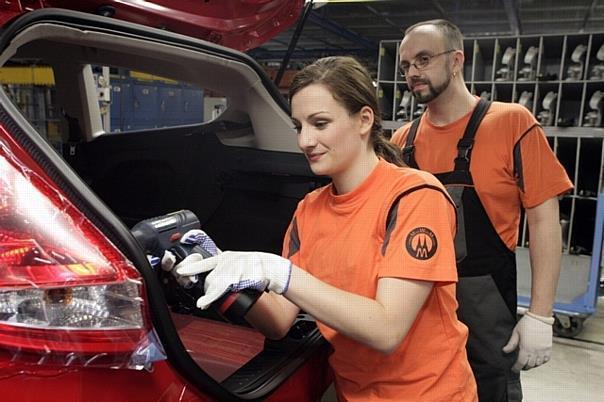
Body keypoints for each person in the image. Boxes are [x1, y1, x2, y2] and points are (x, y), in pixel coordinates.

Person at [169, 56, 477, 401]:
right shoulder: (310, 209)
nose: (305, 141)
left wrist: (281, 273)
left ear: (363, 120)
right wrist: (223, 282)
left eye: (320, 123)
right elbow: (279, 322)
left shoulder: (415, 196)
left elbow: (387, 329)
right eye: (299, 127)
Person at [391, 19, 574, 402]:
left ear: (456, 60)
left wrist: (541, 314)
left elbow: (543, 220)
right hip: (416, 309)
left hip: (485, 309)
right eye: (406, 65)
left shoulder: (511, 123)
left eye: (423, 59)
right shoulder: (402, 142)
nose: (412, 73)